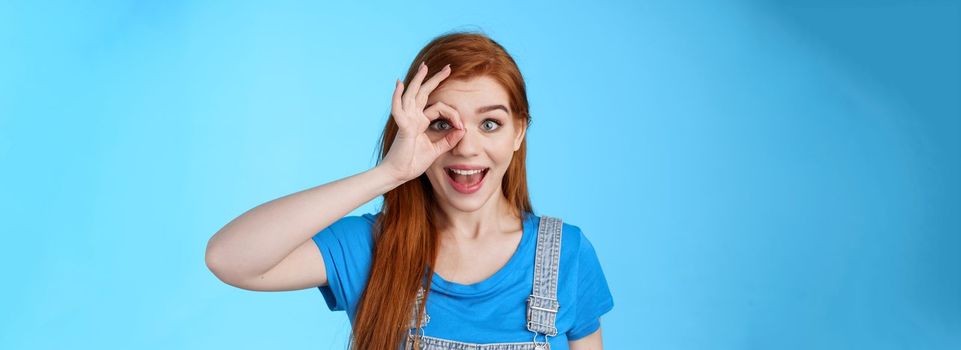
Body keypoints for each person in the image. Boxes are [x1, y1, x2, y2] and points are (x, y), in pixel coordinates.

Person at [205, 30, 613, 350]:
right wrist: (388, 174)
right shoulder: (372, 247)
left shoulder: (568, 256)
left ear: (519, 131)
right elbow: (229, 258)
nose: (467, 146)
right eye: (441, 123)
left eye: (490, 123)